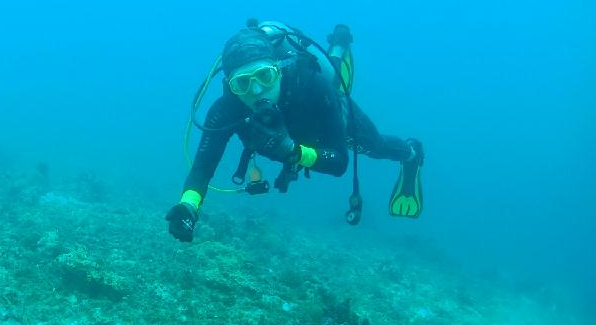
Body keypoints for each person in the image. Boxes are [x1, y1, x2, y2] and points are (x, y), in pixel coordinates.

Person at [166, 19, 425, 242]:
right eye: (242, 83)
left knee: (374, 145)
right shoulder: (226, 110)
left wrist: (294, 152)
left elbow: (340, 163)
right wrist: (188, 207)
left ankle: (412, 153)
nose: (257, 90)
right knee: (333, 80)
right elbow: (202, 169)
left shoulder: (311, 85)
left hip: (324, 120)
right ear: (230, 86)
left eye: (265, 76)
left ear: (279, 70)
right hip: (297, 140)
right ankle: (337, 47)